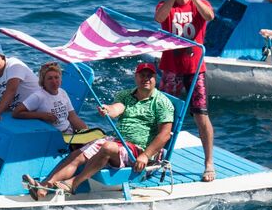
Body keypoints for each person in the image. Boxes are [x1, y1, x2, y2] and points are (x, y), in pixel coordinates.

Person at [24, 62, 174, 200]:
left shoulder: (162, 102)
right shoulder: (126, 95)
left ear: (155, 78)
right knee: (79, 154)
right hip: (120, 143)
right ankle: (43, 187)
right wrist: (108, 110)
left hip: (140, 151)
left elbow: (165, 134)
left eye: (150, 76)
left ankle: (73, 183)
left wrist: (145, 156)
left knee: (107, 147)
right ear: (136, 77)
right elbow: (117, 108)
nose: (146, 79)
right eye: (142, 75)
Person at [155, 0, 216, 182]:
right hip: (171, 67)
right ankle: (157, 154)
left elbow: (210, 16)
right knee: (163, 114)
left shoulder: (201, 4)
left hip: (194, 68)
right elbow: (159, 17)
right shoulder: (166, 5)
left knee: (201, 114)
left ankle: (209, 162)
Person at [12, 61, 87, 135]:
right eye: (50, 78)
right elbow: (16, 113)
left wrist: (88, 134)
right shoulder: (38, 96)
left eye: (56, 77)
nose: (54, 81)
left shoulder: (62, 92)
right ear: (43, 82)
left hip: (69, 131)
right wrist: (41, 115)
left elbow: (72, 117)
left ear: (61, 79)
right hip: (54, 136)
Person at [0, 40, 41, 119]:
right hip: (19, 108)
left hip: (38, 105)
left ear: (2, 56)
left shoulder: (14, 65)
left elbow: (11, 91)